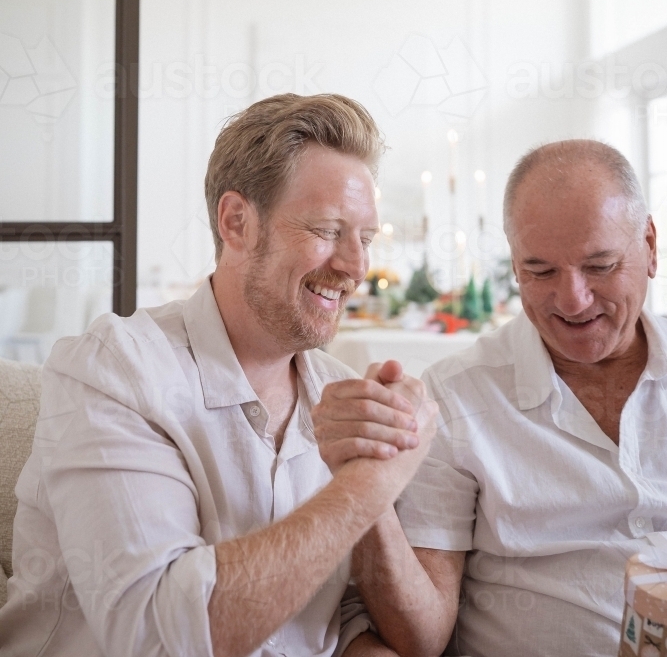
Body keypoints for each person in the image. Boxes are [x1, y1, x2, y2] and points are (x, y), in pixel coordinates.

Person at [0, 93, 438, 657]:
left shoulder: (337, 390)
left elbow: (380, 631)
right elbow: (158, 635)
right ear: (237, 223)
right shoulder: (114, 370)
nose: (357, 266)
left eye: (366, 238)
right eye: (329, 229)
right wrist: (369, 484)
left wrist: (374, 467)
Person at [314, 139, 667, 657]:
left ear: (651, 247)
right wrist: (364, 479)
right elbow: (420, 636)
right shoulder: (458, 398)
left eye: (600, 266)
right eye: (541, 271)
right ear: (516, 266)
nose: (572, 300)